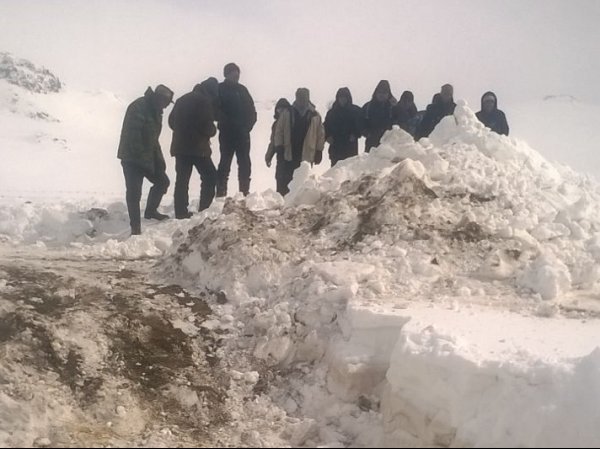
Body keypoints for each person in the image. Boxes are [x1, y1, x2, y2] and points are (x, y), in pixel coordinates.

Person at [117, 84, 174, 236]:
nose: (166, 107)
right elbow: (133, 136)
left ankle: (151, 211)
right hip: (131, 158)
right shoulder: (139, 107)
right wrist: (143, 160)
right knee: (134, 192)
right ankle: (135, 227)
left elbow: (153, 140)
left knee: (162, 181)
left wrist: (159, 161)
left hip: (146, 158)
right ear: (159, 98)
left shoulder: (156, 111)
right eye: (166, 103)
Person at [168, 78, 220, 219]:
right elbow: (207, 126)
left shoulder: (181, 99)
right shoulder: (204, 101)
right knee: (210, 176)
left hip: (180, 146)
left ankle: (180, 212)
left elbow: (171, 121)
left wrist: (182, 130)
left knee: (182, 180)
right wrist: (213, 130)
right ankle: (204, 210)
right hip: (198, 148)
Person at [272, 88, 325, 196]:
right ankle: (285, 202)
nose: (301, 99)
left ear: (308, 98)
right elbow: (279, 131)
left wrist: (319, 151)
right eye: (299, 97)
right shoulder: (287, 113)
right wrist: (279, 146)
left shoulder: (315, 115)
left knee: (303, 182)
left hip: (307, 154)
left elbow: (320, 135)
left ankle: (300, 202)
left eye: (304, 97)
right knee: (287, 182)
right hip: (289, 153)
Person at [216, 63, 257, 197]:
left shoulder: (242, 90)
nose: (236, 76)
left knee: (245, 164)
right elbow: (215, 109)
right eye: (233, 73)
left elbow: (251, 110)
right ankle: (221, 193)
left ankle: (244, 193)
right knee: (225, 163)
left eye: (237, 73)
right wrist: (225, 122)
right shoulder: (220, 89)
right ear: (226, 74)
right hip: (226, 134)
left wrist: (247, 127)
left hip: (242, 134)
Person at [323, 87, 364, 166]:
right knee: (335, 170)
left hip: (350, 147)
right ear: (337, 98)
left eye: (345, 97)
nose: (342, 99)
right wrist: (327, 136)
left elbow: (361, 125)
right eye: (341, 97)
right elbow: (325, 126)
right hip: (335, 147)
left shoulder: (356, 111)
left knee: (350, 170)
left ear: (348, 98)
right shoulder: (332, 112)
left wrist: (356, 134)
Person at [265, 98, 292, 195]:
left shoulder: (292, 121)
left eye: (284, 109)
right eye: (279, 109)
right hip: (280, 155)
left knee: (289, 180)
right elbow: (273, 141)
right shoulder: (276, 124)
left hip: (291, 155)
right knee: (280, 178)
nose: (281, 111)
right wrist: (269, 156)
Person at [362, 80, 397, 152]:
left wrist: (396, 107)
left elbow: (400, 121)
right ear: (376, 93)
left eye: (384, 93)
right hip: (371, 143)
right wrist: (366, 133)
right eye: (380, 92)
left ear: (388, 94)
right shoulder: (368, 107)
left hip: (389, 144)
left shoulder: (393, 107)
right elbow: (361, 121)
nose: (382, 95)